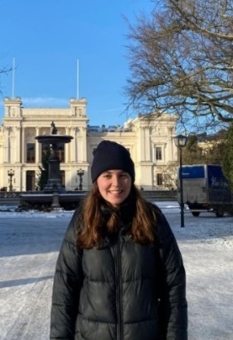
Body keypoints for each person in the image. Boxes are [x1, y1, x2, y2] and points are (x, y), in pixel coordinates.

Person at [50, 140, 188, 340]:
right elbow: (65, 288)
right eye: (107, 175)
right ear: (97, 180)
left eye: (123, 175)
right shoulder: (83, 221)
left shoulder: (152, 219)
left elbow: (173, 288)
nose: (116, 183)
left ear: (131, 178)